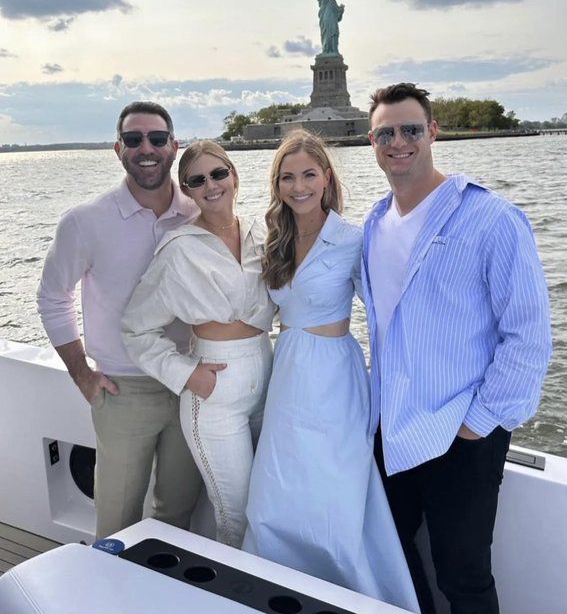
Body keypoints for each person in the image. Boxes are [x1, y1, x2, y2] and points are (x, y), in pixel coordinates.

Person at [362, 82, 553, 614]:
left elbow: (529, 335)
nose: (398, 142)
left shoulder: (492, 219)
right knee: (389, 555)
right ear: (371, 141)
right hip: (391, 427)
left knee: (463, 576)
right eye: (385, 133)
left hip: (462, 431)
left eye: (410, 130)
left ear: (433, 133)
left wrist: (478, 423)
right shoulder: (375, 224)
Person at [243, 130, 419, 613]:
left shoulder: (351, 239)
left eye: (308, 175)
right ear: (276, 184)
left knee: (335, 489)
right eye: (287, 177)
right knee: (278, 486)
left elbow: (389, 311)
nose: (299, 186)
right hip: (288, 371)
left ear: (326, 177)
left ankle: (349, 591)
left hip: (335, 373)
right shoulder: (274, 239)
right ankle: (279, 587)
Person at [37, 101, 203, 539]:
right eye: (134, 139)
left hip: (191, 384)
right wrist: (82, 375)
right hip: (122, 389)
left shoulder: (199, 213)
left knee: (178, 516)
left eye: (157, 138)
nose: (146, 148)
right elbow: (53, 298)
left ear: (174, 146)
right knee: (116, 519)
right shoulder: (84, 221)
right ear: (118, 149)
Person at [122, 141, 275, 548]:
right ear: (187, 190)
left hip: (269, 377)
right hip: (215, 390)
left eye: (218, 173)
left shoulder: (263, 231)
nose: (211, 185)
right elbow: (135, 329)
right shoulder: (179, 249)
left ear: (234, 176)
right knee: (235, 517)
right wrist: (187, 374)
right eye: (197, 179)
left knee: (271, 505)